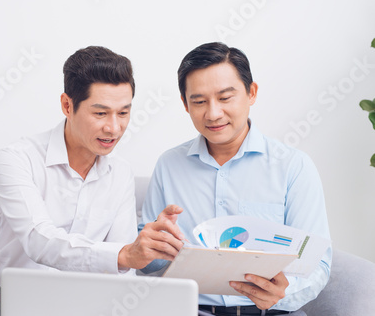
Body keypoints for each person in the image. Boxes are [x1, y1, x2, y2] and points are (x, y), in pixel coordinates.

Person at [0, 46, 183, 316]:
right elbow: (38, 239)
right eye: (100, 113)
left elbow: (122, 272)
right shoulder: (17, 159)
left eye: (123, 113)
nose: (114, 128)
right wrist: (125, 255)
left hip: (87, 307)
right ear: (67, 105)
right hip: (8, 302)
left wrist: (141, 254)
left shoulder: (121, 173)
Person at [139, 42, 332, 316]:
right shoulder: (169, 165)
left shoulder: (294, 167)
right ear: (185, 104)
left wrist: (283, 295)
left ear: (251, 93)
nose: (213, 113)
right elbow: (147, 264)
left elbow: (318, 263)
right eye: (199, 101)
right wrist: (152, 252)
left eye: (225, 97)